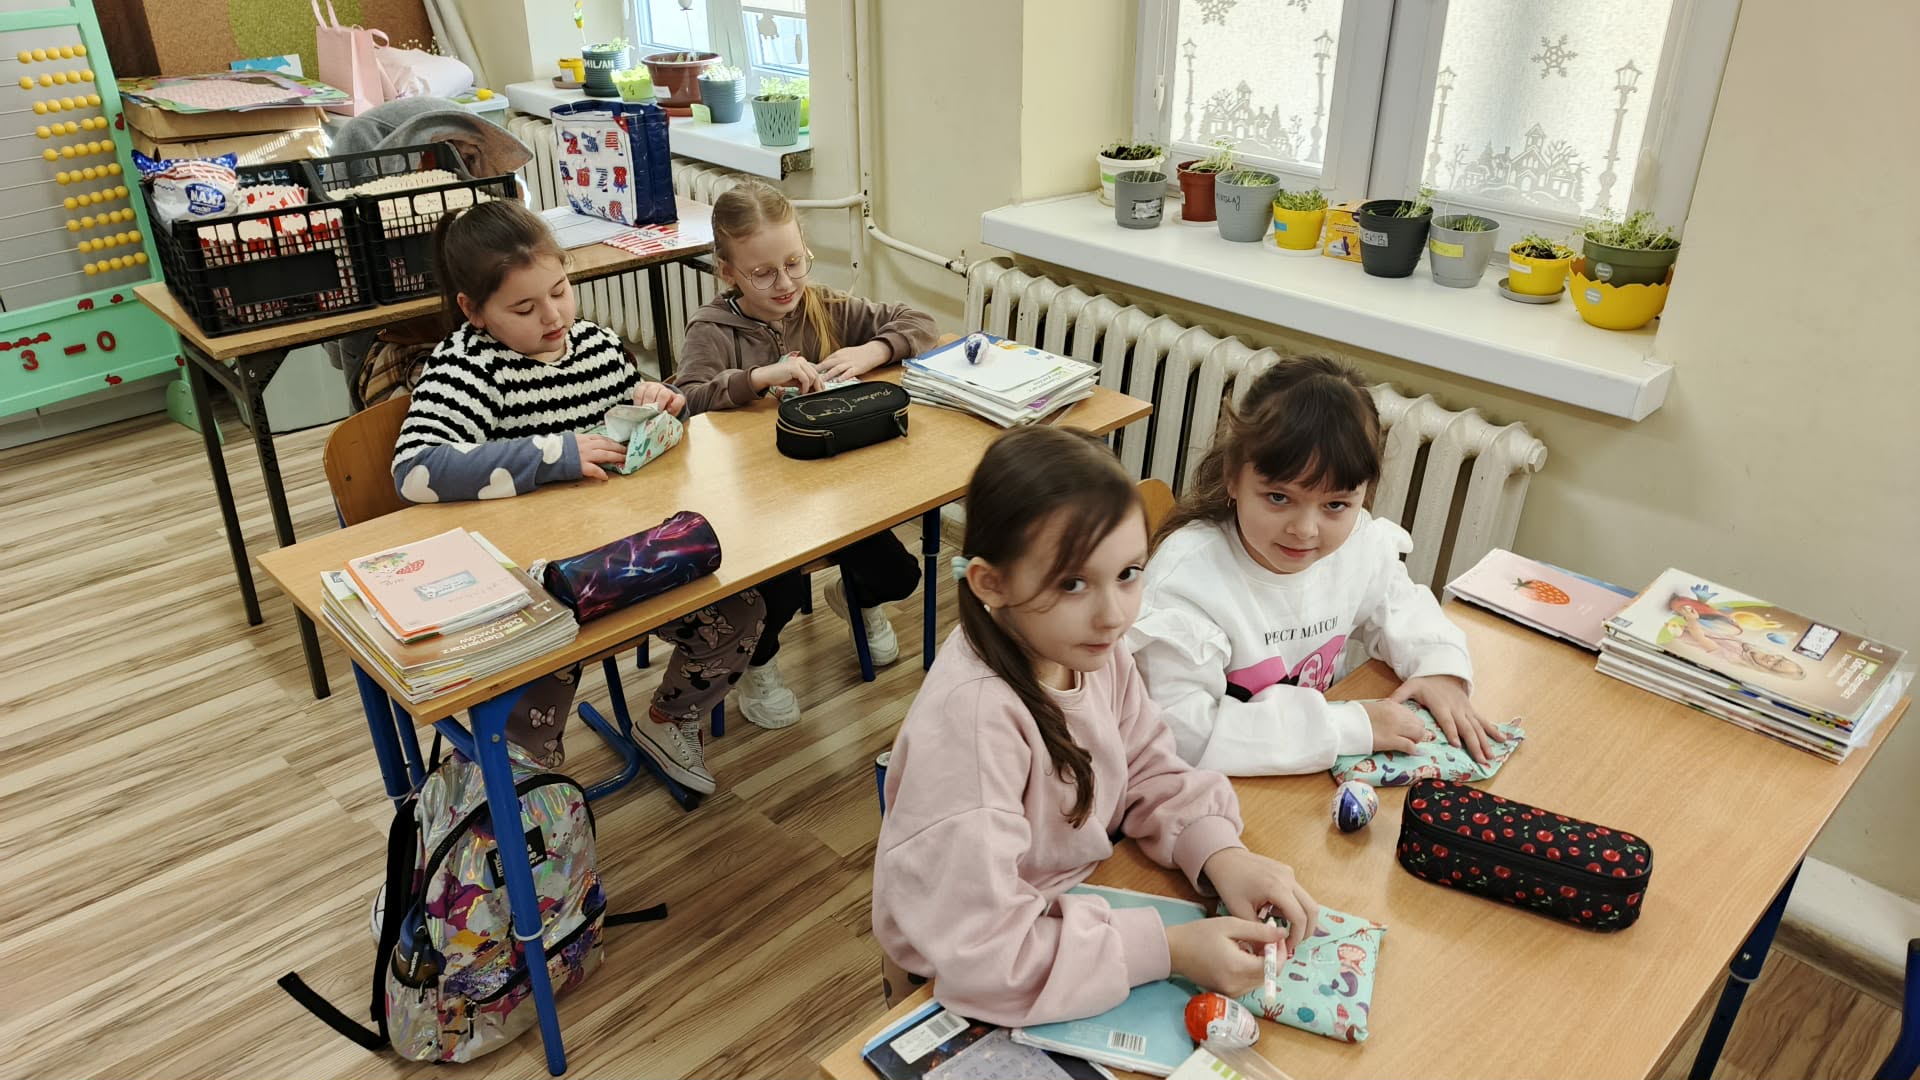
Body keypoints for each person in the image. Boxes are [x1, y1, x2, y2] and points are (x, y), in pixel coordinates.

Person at [872, 426, 1318, 1027]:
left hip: (1069, 921)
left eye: (1129, 573)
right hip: (972, 973)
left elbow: (1146, 766)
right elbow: (982, 951)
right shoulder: (974, 723)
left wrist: (1220, 853)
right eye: (1073, 583)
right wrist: (1168, 950)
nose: (1113, 615)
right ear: (991, 583)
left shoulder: (1087, 649)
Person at [390, 198, 759, 794]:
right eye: (523, 308)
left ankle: (667, 721)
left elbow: (632, 436)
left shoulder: (597, 346)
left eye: (560, 291)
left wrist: (660, 406)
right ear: (472, 310)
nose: (553, 315)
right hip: (540, 586)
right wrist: (554, 455)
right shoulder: (467, 368)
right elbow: (414, 470)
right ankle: (515, 800)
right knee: (541, 678)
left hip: (622, 559)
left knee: (741, 614)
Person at [1128, 356, 1505, 776]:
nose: (1305, 530)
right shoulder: (1185, 581)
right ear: (1233, 477)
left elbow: (1400, 605)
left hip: (1305, 775)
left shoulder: (1358, 544)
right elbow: (1187, 735)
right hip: (1207, 790)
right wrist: (1350, 727)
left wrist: (1440, 668)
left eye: (1336, 505)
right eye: (1279, 498)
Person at [673, 180, 938, 729]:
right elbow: (687, 401)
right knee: (781, 591)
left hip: (833, 491)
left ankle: (858, 596)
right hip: (753, 506)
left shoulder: (821, 304)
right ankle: (758, 662)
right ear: (727, 272)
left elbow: (921, 323)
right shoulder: (712, 328)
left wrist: (872, 349)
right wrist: (755, 378)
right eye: (763, 272)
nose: (786, 283)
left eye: (795, 262)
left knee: (900, 574)